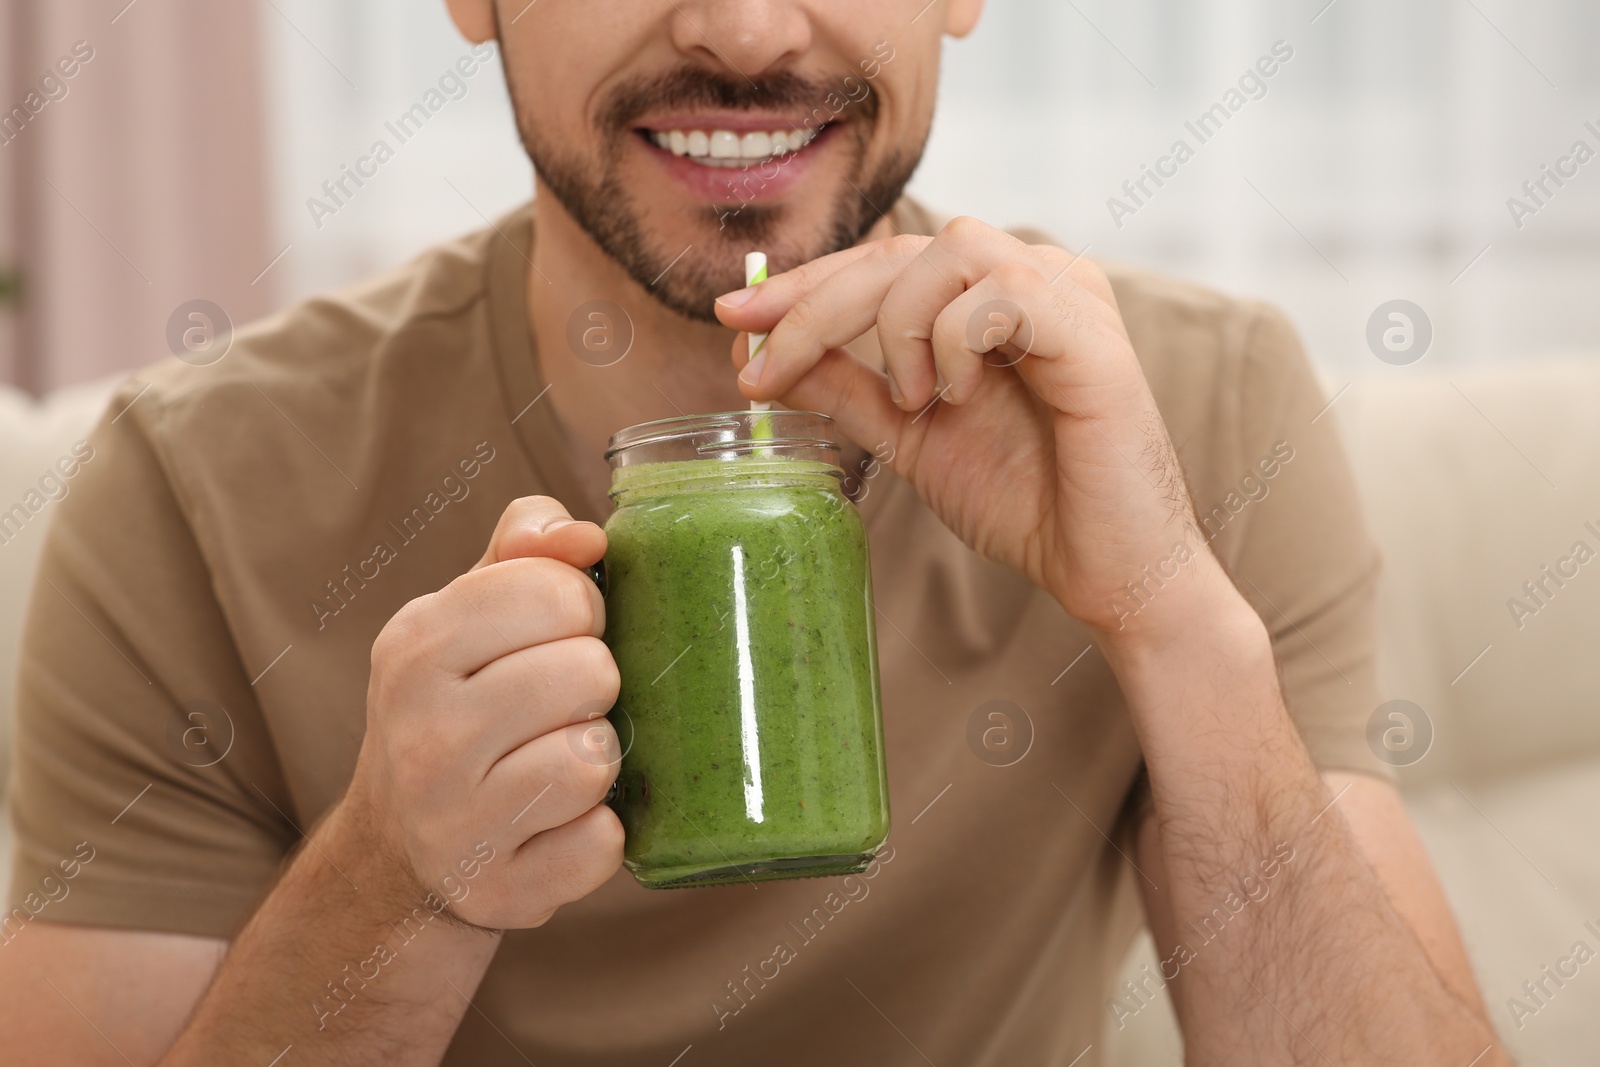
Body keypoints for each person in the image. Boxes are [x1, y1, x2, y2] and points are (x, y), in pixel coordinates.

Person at [0, 1, 1505, 1064]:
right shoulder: (185, 488)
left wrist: (1173, 615)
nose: (746, 28)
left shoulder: (1193, 407)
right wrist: (394, 884)